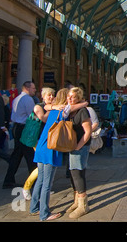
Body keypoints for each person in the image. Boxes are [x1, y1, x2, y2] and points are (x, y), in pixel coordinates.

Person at [29, 88, 67, 221]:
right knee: (47, 183)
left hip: (41, 146)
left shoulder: (52, 111)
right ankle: (44, 214)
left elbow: (45, 108)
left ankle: (34, 208)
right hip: (51, 148)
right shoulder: (62, 112)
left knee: (40, 179)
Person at [22, 87, 55, 200]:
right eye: (48, 95)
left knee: (47, 164)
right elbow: (44, 119)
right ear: (43, 96)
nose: (51, 97)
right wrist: (51, 108)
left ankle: (45, 188)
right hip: (37, 139)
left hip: (47, 139)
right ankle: (27, 187)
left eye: (52, 95)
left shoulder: (50, 107)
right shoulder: (38, 107)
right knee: (41, 164)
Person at [3, 81, 37, 189]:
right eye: (33, 88)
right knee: (30, 156)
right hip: (24, 128)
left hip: (17, 127)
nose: (35, 90)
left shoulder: (17, 98)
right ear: (27, 88)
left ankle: (8, 180)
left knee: (17, 155)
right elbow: (32, 115)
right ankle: (35, 182)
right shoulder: (27, 99)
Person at [66, 87, 92, 219]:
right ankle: (76, 200)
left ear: (79, 98)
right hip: (71, 146)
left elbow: (88, 131)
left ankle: (83, 205)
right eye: (68, 96)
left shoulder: (82, 111)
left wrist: (78, 146)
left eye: (73, 97)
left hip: (80, 146)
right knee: (72, 173)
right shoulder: (70, 110)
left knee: (78, 173)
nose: (70, 99)